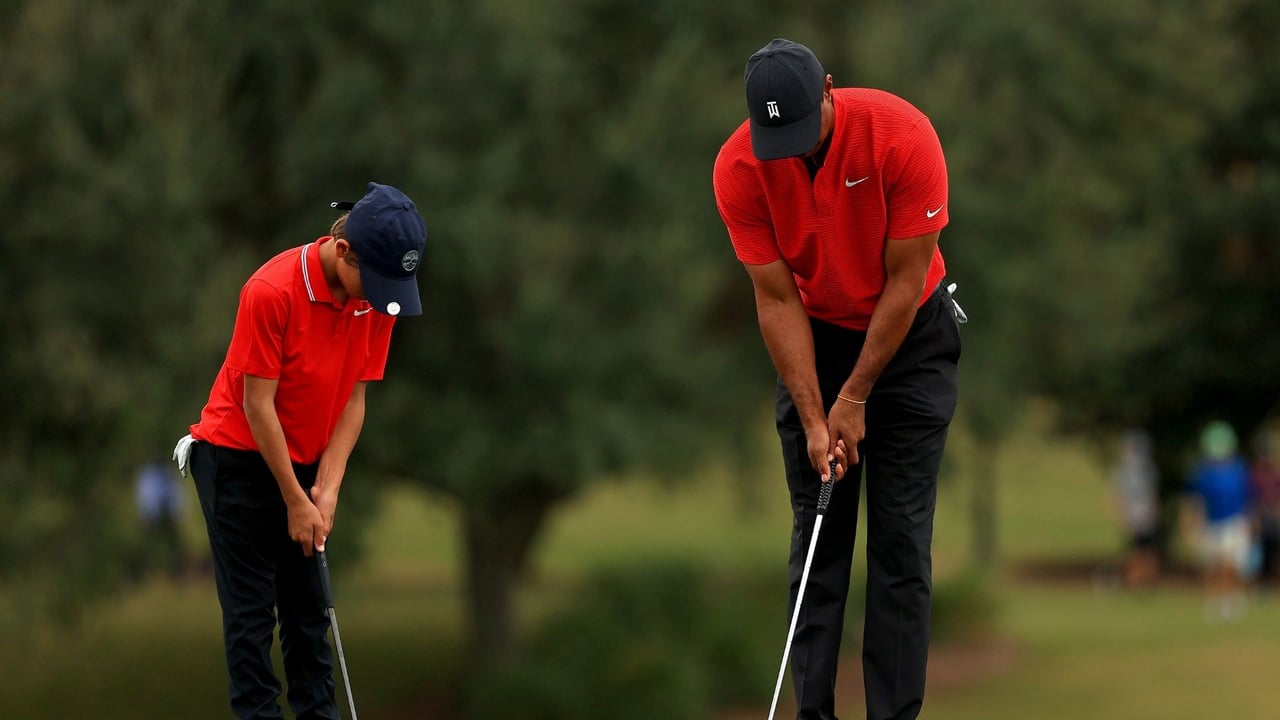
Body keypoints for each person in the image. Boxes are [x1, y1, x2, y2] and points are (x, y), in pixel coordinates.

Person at [713, 39, 961, 720]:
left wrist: (855, 397)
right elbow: (775, 298)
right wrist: (818, 416)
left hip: (907, 337)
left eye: (799, 131)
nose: (790, 153)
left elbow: (907, 281)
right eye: (775, 140)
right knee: (819, 537)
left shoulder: (902, 136)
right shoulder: (738, 166)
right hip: (813, 338)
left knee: (901, 547)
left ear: (828, 89)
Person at [172, 182, 427, 719]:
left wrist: (326, 489)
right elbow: (257, 405)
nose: (380, 297)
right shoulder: (272, 291)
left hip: (308, 461)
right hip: (237, 457)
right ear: (344, 251)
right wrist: (294, 498)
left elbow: (355, 399)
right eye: (375, 281)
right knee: (251, 619)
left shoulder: (376, 298)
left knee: (310, 614)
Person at [1183, 420, 1252, 622]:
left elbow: (1248, 498)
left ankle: (1231, 600)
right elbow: (1194, 500)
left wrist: (1250, 519)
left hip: (1234, 521)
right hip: (1210, 523)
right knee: (1213, 565)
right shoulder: (1202, 472)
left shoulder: (1239, 469)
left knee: (1230, 564)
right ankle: (1215, 601)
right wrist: (1191, 521)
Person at [1110, 429, 1160, 589]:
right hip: (1134, 515)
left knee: (1147, 549)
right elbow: (1119, 494)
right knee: (1135, 549)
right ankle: (1135, 581)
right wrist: (1122, 514)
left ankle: (1146, 580)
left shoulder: (1148, 469)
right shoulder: (1124, 470)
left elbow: (1152, 494)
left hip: (1145, 514)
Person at [134, 457, 187, 578]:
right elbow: (145, 497)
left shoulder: (166, 473)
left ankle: (170, 570)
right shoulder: (147, 473)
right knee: (154, 546)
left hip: (166, 517)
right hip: (153, 517)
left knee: (170, 546)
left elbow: (176, 495)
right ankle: (155, 570)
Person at [1248, 430, 1280, 588]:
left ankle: (1270, 584)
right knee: (1257, 556)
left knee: (1272, 553)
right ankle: (1259, 584)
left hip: (1273, 520)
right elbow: (1250, 500)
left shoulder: (1275, 475)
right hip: (1259, 519)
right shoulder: (1254, 476)